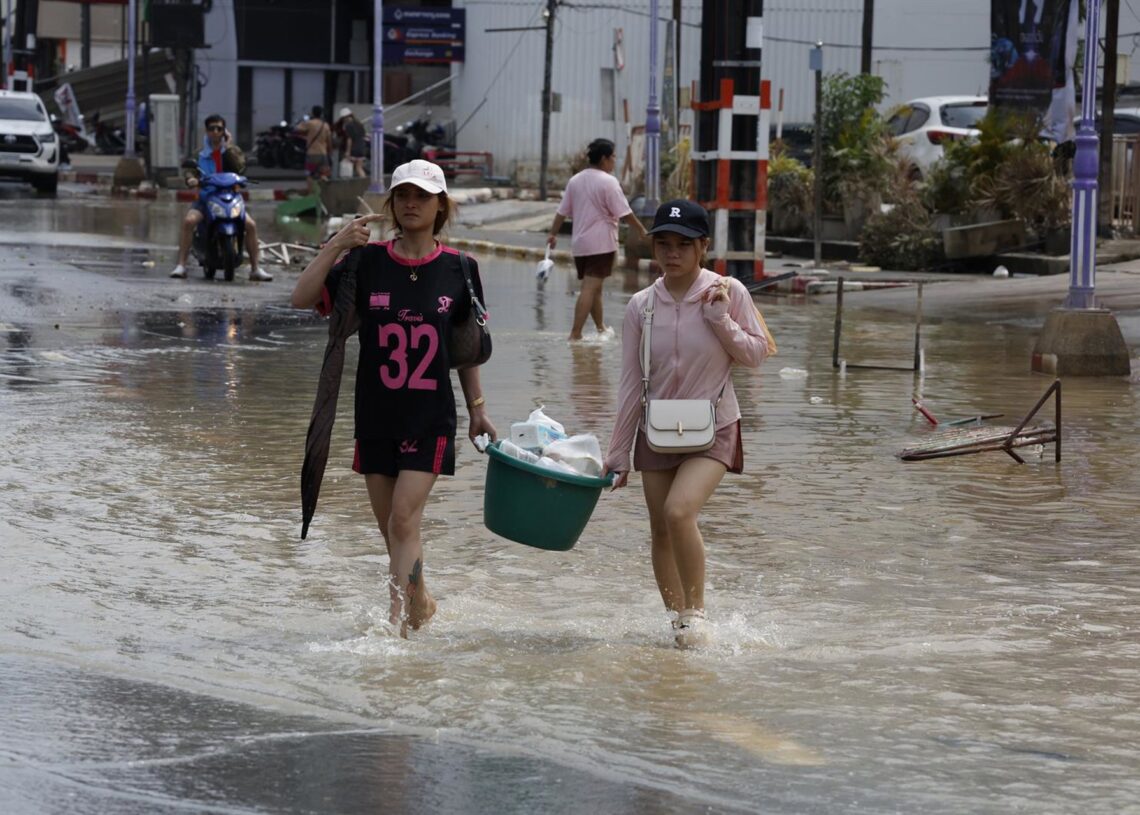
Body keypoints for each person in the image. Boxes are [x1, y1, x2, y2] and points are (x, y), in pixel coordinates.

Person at [290, 159, 497, 638]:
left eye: (422, 196)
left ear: (440, 205)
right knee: (395, 530)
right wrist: (338, 243)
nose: (411, 203)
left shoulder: (460, 269)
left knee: (404, 517)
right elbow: (301, 298)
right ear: (391, 202)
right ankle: (420, 602)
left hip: (429, 418)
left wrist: (478, 409)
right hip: (376, 414)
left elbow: (465, 350)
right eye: (403, 194)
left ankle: (398, 628)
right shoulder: (367, 263)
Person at [603, 200, 771, 649]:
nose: (672, 253)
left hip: (714, 425)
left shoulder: (727, 292)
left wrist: (720, 321)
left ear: (703, 247)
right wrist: (617, 453)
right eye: (663, 244)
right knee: (659, 528)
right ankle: (679, 625)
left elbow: (756, 354)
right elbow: (628, 384)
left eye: (683, 244)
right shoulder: (641, 306)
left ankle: (696, 615)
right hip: (655, 427)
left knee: (680, 512)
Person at [546, 138, 648, 341]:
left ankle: (601, 328)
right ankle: (575, 334)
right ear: (603, 159)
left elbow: (561, 212)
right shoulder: (608, 182)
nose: (614, 162)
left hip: (581, 245)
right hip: (601, 243)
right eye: (613, 158)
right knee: (589, 288)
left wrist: (553, 234)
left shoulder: (575, 180)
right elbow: (624, 212)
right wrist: (642, 230)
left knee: (595, 288)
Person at [170, 114, 270, 282]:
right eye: (212, 128)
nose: (215, 132)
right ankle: (181, 265)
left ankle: (256, 268)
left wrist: (228, 146)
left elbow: (240, 168)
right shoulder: (199, 154)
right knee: (188, 222)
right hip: (206, 198)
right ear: (206, 131)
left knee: (250, 225)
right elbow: (189, 171)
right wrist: (191, 179)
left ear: (224, 131)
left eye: (219, 129)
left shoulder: (232, 151)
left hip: (230, 197)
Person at [297, 105, 332, 192]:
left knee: (309, 175)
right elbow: (329, 141)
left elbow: (298, 128)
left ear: (313, 113)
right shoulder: (326, 125)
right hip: (323, 155)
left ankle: (311, 194)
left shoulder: (310, 123)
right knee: (324, 174)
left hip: (311, 155)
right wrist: (329, 153)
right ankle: (325, 193)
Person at [337, 106, 368, 178]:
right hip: (362, 148)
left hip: (354, 149)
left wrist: (347, 151)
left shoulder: (348, 125)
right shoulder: (359, 124)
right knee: (359, 168)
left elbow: (349, 139)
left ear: (344, 117)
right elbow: (364, 135)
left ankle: (350, 184)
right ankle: (364, 183)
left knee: (349, 166)